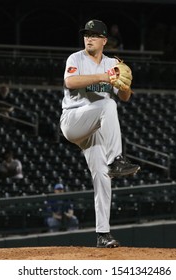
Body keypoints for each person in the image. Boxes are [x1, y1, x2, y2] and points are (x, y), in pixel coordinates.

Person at [60, 19, 140, 248]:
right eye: (86, 34)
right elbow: (71, 81)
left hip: (95, 129)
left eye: (94, 35)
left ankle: (103, 234)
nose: (89, 38)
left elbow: (125, 97)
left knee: (102, 176)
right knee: (108, 106)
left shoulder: (113, 63)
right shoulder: (76, 58)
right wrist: (104, 77)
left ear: (104, 40)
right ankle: (117, 159)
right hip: (73, 121)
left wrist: (125, 87)